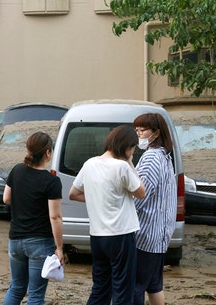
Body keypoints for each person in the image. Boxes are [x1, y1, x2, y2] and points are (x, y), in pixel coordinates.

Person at [68, 124, 145, 305]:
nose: (133, 151)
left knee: (101, 288)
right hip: (121, 234)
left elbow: (73, 193)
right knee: (122, 290)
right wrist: (131, 163)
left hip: (97, 236)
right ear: (127, 147)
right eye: (133, 148)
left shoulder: (89, 164)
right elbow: (141, 192)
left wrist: (98, 198)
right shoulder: (122, 167)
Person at [2, 131, 64, 305]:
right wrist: (59, 248)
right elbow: (55, 216)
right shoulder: (51, 181)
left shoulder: (17, 170)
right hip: (40, 242)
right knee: (36, 295)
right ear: (47, 153)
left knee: (16, 288)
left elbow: (6, 199)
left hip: (15, 240)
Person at [132, 113, 177, 305]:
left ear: (156, 132)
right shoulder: (165, 156)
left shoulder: (151, 158)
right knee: (154, 285)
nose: (139, 135)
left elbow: (140, 195)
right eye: (137, 131)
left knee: (135, 287)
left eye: (143, 130)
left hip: (146, 235)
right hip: (159, 234)